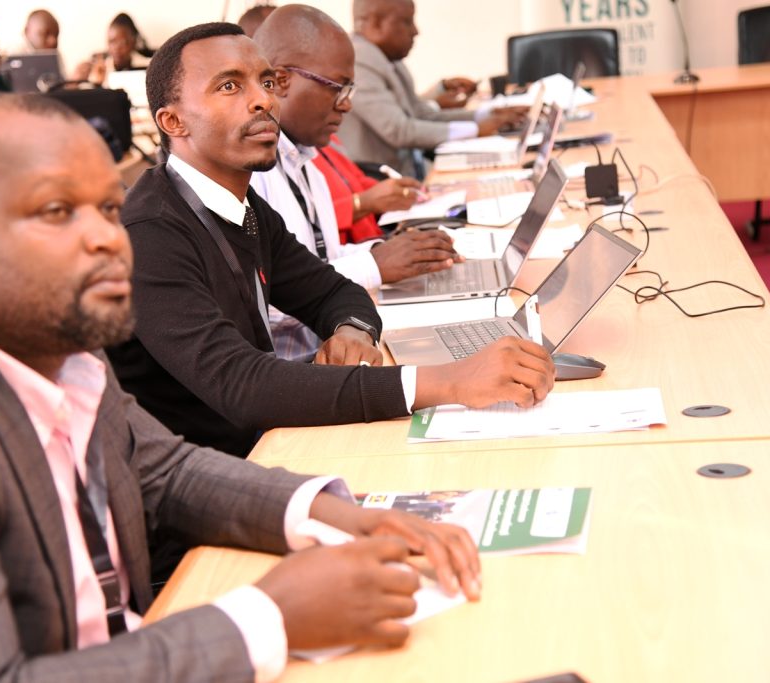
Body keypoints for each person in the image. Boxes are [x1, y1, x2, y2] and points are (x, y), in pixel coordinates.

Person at [0, 91, 483, 682]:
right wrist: (270, 618)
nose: (108, 237)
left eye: (108, 207)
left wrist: (337, 516)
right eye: (56, 211)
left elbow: (162, 469)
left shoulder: (45, 335)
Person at [105, 22, 554, 457]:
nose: (263, 99)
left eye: (266, 81)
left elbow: (335, 292)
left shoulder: (241, 206)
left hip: (274, 448)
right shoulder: (148, 234)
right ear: (172, 121)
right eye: (230, 86)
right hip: (212, 484)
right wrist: (449, 382)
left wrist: (352, 332)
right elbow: (244, 387)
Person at [250, 5, 462, 360]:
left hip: (341, 345)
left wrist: (391, 252)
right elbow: (267, 302)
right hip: (301, 372)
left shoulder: (307, 163)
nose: (346, 106)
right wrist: (374, 265)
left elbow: (321, 259)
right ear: (282, 80)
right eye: (338, 88)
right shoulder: (254, 175)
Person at [338, 0, 524, 178]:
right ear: (376, 23)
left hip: (411, 172)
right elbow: (399, 131)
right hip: (385, 184)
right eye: (406, 22)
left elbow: (422, 114)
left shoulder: (386, 58)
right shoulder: (359, 60)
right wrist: (476, 129)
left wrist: (487, 115)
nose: (415, 31)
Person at [74, 12, 153, 85]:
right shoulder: (100, 69)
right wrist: (97, 83)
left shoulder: (150, 66)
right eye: (111, 42)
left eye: (122, 42)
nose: (116, 48)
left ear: (133, 42)